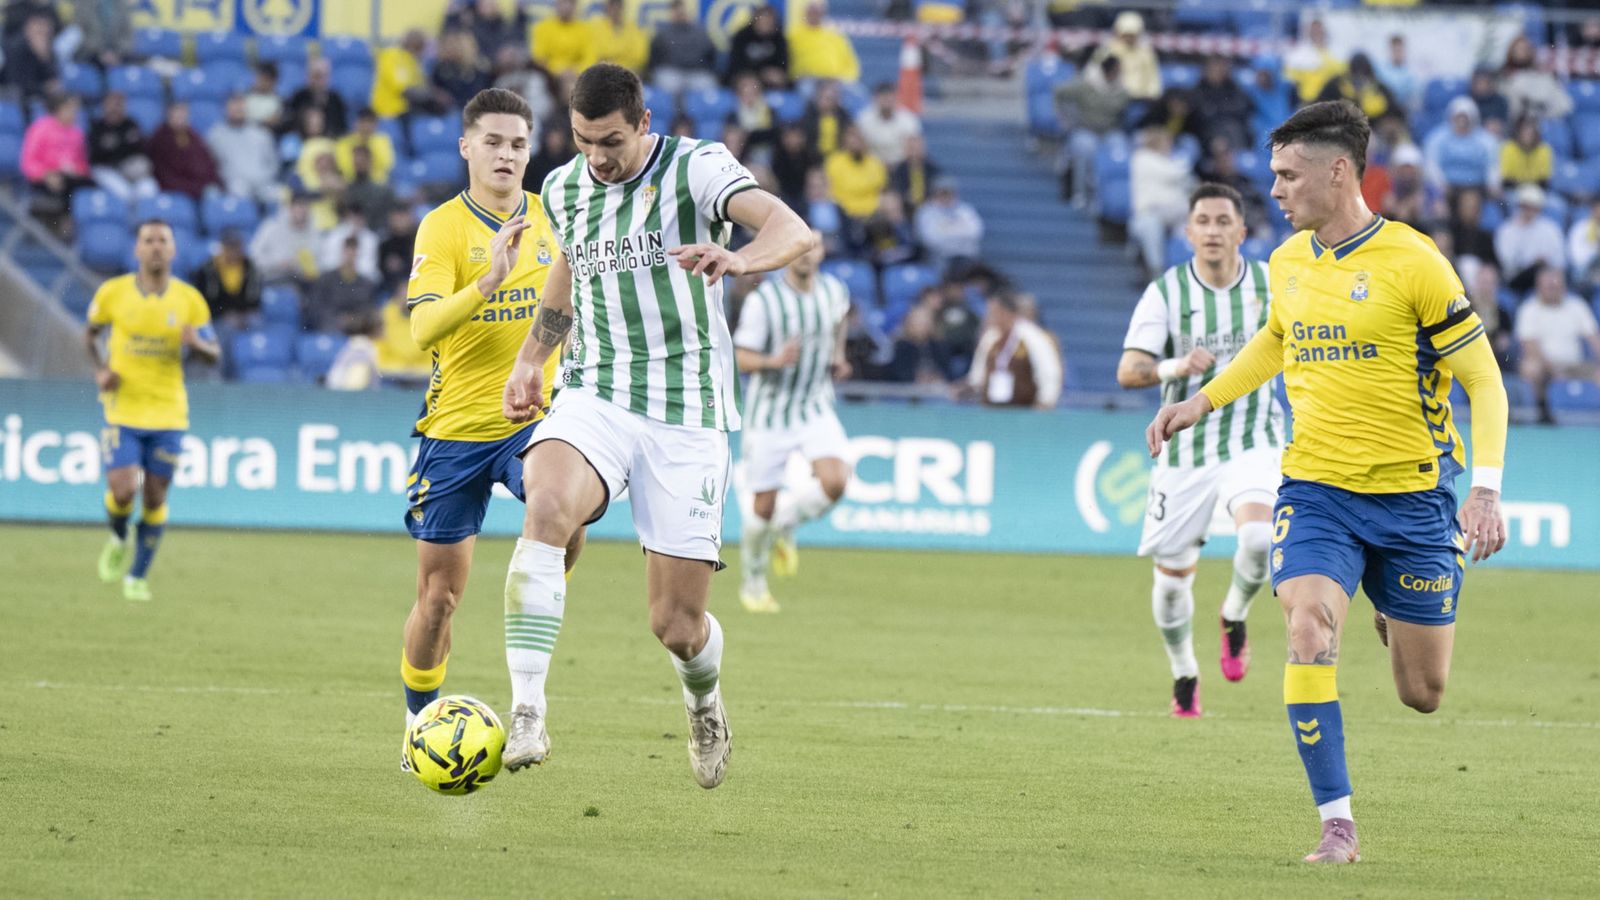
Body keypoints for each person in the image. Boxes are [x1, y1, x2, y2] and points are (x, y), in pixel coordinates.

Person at [1146, 100, 1509, 864]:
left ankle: (1396, 608)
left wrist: (1485, 489)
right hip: (1314, 491)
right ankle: (1336, 824)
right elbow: (1274, 341)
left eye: (1286, 175)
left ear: (1338, 171)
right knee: (1307, 630)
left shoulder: (1414, 263)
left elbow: (1484, 378)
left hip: (1413, 500)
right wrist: (1199, 401)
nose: (1274, 192)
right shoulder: (1288, 261)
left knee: (1423, 693)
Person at [499, 63, 814, 785]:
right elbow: (569, 270)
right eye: (583, 141)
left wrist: (739, 258)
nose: (598, 157)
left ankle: (704, 701)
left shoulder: (697, 167)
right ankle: (526, 713)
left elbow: (790, 230)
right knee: (544, 504)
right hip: (596, 394)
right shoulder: (563, 187)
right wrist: (531, 358)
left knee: (676, 625)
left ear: (643, 124)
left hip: (687, 412)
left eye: (610, 140)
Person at [396, 89, 587, 769]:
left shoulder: (555, 215)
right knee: (440, 600)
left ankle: (528, 692)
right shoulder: (443, 228)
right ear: (466, 148)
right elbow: (420, 329)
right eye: (493, 142)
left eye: (517, 143)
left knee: (560, 515)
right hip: (454, 431)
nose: (506, 154)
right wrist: (488, 281)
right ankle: (419, 725)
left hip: (535, 415)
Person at [1117, 183, 1282, 717]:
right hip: (1184, 451)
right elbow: (1128, 371)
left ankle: (1233, 616)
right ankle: (1185, 672)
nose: (1212, 230)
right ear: (1187, 233)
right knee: (1169, 590)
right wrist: (1173, 368)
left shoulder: (1270, 285)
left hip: (1253, 438)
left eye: (1222, 221)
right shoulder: (1165, 294)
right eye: (1202, 222)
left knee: (1258, 537)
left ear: (1242, 231)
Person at [84, 220, 222, 602]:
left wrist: (197, 344)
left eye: (163, 240)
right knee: (124, 490)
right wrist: (100, 370)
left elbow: (214, 354)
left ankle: (137, 577)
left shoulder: (189, 300)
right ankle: (117, 535)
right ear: (137, 250)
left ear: (174, 250)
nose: (156, 247)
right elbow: (90, 333)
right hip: (122, 408)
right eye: (149, 240)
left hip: (168, 413)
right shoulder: (113, 293)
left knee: (155, 498)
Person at [732, 230, 852, 614]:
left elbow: (839, 322)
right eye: (800, 247)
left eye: (813, 246)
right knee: (761, 506)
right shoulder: (765, 302)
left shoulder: (834, 292)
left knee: (835, 481)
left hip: (815, 405)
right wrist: (773, 361)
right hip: (770, 412)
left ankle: (787, 521)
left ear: (821, 252)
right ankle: (752, 580)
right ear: (788, 251)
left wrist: (838, 355)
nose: (806, 254)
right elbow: (741, 358)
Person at [1515, 266, 1600, 424]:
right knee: (1530, 368)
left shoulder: (1577, 306)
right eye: (1548, 286)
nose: (1552, 289)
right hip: (1545, 366)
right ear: (1539, 287)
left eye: (1556, 286)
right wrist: (1553, 369)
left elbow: (1594, 338)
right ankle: (1542, 414)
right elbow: (1530, 347)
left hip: (1575, 365)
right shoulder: (1529, 309)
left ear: (1563, 286)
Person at [965, 291, 1061, 409]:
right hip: (991, 411)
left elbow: (1048, 372)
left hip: (1023, 413)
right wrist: (969, 388)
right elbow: (978, 373)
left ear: (1005, 313)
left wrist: (1045, 401)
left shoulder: (1033, 337)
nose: (988, 317)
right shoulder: (990, 338)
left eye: (993, 312)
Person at [20, 92, 88, 228]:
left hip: (70, 178)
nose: (74, 113)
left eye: (75, 110)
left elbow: (83, 164)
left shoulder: (77, 133)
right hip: (44, 178)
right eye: (69, 109)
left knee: (88, 185)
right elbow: (28, 162)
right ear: (58, 109)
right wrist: (46, 175)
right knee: (61, 186)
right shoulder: (40, 129)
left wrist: (77, 170)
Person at [208, 94, 280, 206]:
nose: (238, 109)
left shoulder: (261, 133)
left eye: (240, 105)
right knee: (239, 195)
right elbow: (212, 165)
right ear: (226, 109)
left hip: (263, 182)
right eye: (234, 105)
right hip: (235, 184)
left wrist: (264, 177)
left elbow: (273, 162)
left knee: (279, 196)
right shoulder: (216, 135)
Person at [87, 91, 157, 203]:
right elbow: (97, 154)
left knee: (149, 188)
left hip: (129, 167)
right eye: (112, 104)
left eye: (119, 104)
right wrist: (123, 144)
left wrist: (116, 146)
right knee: (125, 194)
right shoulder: (97, 127)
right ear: (104, 106)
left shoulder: (130, 124)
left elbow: (140, 149)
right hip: (105, 169)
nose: (115, 108)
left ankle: (144, 219)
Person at [1495, 183, 1566, 293]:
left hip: (1545, 277)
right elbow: (1507, 262)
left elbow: (1559, 261)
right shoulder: (1507, 230)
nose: (1528, 211)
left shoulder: (1550, 230)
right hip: (1517, 279)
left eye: (1532, 207)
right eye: (1525, 206)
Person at [189, 228, 262, 330]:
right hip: (218, 316)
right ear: (222, 248)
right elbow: (202, 299)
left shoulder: (250, 267)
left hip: (245, 314)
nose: (233, 252)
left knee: (255, 322)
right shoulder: (208, 269)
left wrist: (241, 314)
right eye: (230, 247)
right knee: (225, 328)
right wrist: (223, 314)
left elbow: (254, 298)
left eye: (236, 247)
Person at [148, 102, 219, 201]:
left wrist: (210, 182)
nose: (181, 117)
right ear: (168, 115)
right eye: (177, 113)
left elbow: (208, 163)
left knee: (214, 194)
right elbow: (163, 174)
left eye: (183, 113)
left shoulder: (193, 135)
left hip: (200, 187)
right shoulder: (160, 138)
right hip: (177, 189)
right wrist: (192, 188)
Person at [249, 191, 323, 284]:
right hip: (273, 278)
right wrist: (279, 264)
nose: (302, 210)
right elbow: (254, 258)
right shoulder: (271, 228)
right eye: (298, 205)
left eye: (305, 205)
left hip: (304, 281)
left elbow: (321, 261)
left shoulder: (315, 231)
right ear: (290, 207)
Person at [647, 1, 718, 96]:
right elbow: (654, 58)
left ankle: (698, 111)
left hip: (696, 72)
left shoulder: (701, 33)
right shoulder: (663, 34)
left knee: (707, 84)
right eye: (677, 12)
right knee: (668, 83)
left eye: (683, 12)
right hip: (672, 72)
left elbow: (711, 55)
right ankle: (672, 111)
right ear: (672, 13)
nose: (680, 15)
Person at [913, 175, 983, 272]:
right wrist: (958, 231)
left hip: (966, 255)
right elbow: (930, 239)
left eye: (949, 192)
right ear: (935, 193)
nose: (947, 196)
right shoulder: (926, 212)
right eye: (943, 193)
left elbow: (975, 232)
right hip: (939, 256)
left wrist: (946, 232)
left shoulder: (965, 210)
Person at [1090, 11, 1160, 101]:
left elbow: (1152, 79)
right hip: (1111, 98)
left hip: (1141, 99)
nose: (1129, 38)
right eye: (1126, 34)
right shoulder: (1106, 51)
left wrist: (1153, 95)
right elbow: (1094, 75)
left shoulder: (1146, 53)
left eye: (1133, 35)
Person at [788, 1, 859, 84]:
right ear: (805, 14)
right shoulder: (793, 35)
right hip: (807, 80)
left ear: (823, 14)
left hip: (836, 81)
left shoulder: (835, 35)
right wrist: (795, 75)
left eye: (817, 12)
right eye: (811, 12)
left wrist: (842, 78)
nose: (814, 15)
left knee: (857, 94)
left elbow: (851, 65)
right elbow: (786, 61)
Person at [855, 81, 920, 168]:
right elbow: (859, 146)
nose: (886, 100)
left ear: (896, 98)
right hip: (871, 167)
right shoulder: (864, 119)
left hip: (901, 168)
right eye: (883, 97)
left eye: (890, 96)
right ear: (875, 99)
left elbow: (914, 148)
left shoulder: (908, 119)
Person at [725, 4, 789, 89]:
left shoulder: (779, 39)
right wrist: (760, 73)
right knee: (748, 83)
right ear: (755, 21)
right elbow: (736, 64)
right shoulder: (742, 36)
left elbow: (783, 64)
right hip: (745, 76)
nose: (765, 25)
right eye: (763, 21)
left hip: (769, 80)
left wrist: (776, 73)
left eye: (768, 22)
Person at [529, 0, 596, 78]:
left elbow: (590, 57)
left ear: (576, 6)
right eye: (563, 2)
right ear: (557, 4)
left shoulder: (585, 29)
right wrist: (557, 70)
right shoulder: (542, 28)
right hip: (549, 77)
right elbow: (539, 57)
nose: (566, 7)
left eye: (570, 3)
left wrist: (576, 70)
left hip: (577, 76)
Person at [372, 30, 429, 119]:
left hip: (406, 109)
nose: (420, 53)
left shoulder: (412, 62)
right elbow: (402, 89)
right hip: (389, 110)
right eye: (417, 47)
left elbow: (422, 85)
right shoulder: (391, 55)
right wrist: (428, 96)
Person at [285, 58, 349, 137]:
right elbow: (289, 124)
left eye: (322, 76)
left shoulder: (336, 100)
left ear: (328, 77)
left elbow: (341, 128)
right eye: (315, 75)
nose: (318, 80)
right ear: (307, 76)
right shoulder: (298, 97)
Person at [590, 0, 648, 74]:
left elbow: (640, 56)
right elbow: (595, 54)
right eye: (612, 8)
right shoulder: (596, 29)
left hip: (629, 71)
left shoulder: (633, 29)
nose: (615, 11)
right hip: (604, 73)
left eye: (618, 8)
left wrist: (613, 58)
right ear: (606, 10)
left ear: (623, 9)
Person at [1499, 116, 1552, 192]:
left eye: (1530, 133)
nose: (1527, 136)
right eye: (1524, 132)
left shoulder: (1544, 150)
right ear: (1518, 133)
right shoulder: (1508, 148)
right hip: (1514, 190)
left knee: (1554, 203)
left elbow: (1544, 180)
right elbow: (1507, 180)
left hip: (1537, 191)